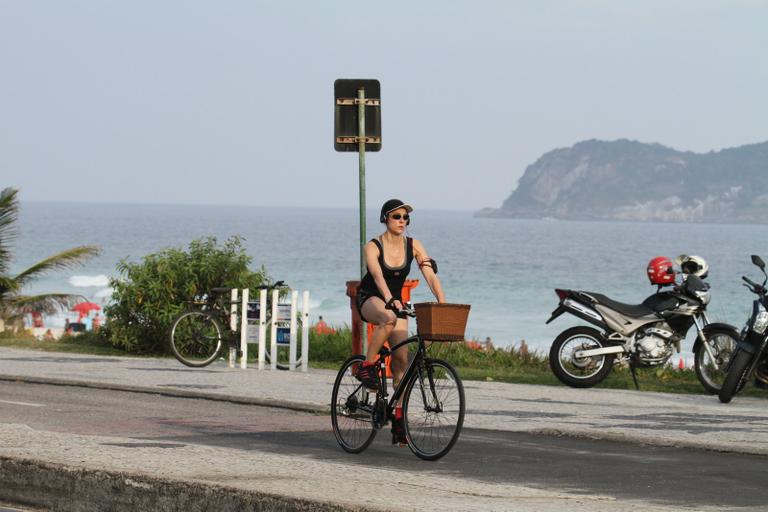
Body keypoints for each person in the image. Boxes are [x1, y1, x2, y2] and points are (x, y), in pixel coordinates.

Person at [355, 198, 446, 445]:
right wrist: (389, 299)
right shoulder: (372, 246)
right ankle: (367, 365)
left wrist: (442, 300)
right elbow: (376, 275)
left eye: (405, 217)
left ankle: (398, 419)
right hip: (371, 297)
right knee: (387, 318)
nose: (402, 221)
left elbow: (429, 273)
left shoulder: (414, 245)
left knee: (402, 362)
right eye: (397, 217)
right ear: (385, 218)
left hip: (396, 303)